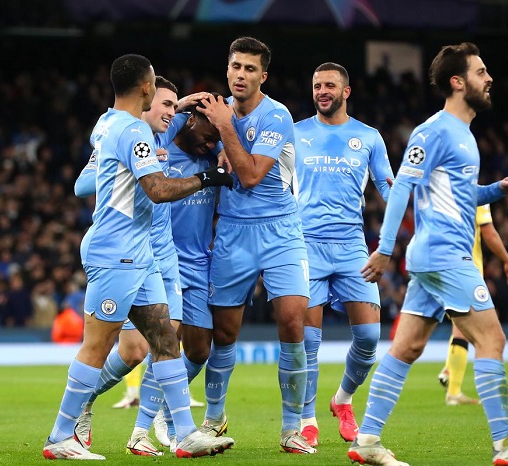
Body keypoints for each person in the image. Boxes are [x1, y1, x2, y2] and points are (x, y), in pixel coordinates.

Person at [348, 43, 508, 466]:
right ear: (457, 82)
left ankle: (367, 440)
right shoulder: (435, 131)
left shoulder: (464, 135)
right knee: (492, 339)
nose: (489, 78)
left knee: (407, 348)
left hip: (435, 258)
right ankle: (506, 443)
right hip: (445, 255)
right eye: (481, 72)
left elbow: (461, 195)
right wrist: (385, 249)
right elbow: (403, 187)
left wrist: (496, 190)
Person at [42, 55, 234, 460]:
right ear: (147, 88)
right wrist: (206, 178)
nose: (170, 109)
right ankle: (60, 436)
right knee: (98, 345)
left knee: (164, 340)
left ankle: (186, 434)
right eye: (163, 98)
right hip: (116, 252)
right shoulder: (134, 134)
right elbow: (158, 191)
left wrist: (180, 106)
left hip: (139, 253)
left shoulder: (106, 123)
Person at [195, 37, 315, 454]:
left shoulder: (276, 115)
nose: (241, 74)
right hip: (233, 232)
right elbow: (179, 136)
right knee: (224, 333)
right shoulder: (214, 112)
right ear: (227, 69)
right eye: (235, 66)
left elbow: (248, 176)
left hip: (281, 230)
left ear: (263, 76)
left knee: (293, 322)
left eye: (250, 68)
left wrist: (225, 127)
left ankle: (292, 427)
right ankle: (214, 418)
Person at [293, 62, 393, 447]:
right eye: (317, 85)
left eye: (329, 85)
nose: (322, 91)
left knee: (368, 337)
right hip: (306, 245)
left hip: (352, 246)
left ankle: (343, 400)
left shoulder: (368, 137)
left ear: (345, 91)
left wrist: (411, 200)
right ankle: (307, 421)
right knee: (308, 343)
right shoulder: (296, 133)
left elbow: (389, 189)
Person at [150, 97, 225, 449]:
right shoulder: (161, 150)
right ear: (192, 120)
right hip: (162, 261)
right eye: (208, 138)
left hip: (198, 264)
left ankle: (163, 411)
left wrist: (221, 145)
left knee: (198, 351)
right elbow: (156, 127)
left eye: (216, 141)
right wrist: (180, 107)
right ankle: (148, 420)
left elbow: (226, 147)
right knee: (153, 347)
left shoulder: (212, 158)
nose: (210, 146)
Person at [437, 204, 508, 406]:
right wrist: (507, 260)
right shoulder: (475, 193)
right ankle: (454, 392)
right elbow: (488, 233)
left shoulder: (440, 191)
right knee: (480, 334)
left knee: (459, 327)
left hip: (439, 265)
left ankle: (449, 371)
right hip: (465, 270)